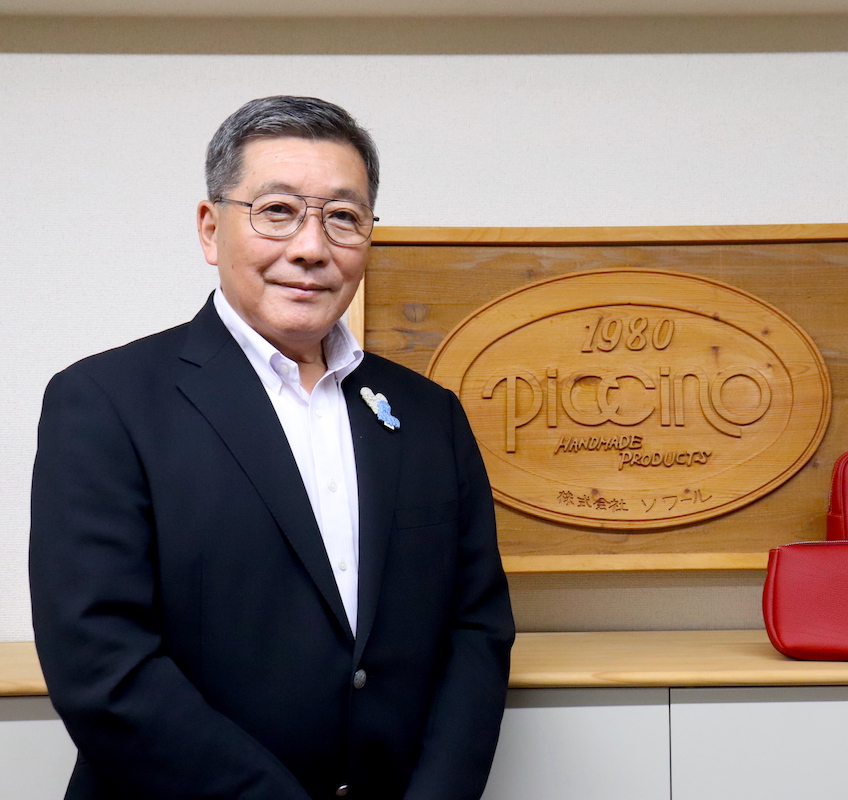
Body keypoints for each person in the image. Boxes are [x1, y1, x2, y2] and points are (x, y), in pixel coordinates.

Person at [28, 95, 515, 800]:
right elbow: (102, 667)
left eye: (343, 216)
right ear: (210, 229)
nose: (312, 247)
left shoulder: (428, 414)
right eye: (278, 210)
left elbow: (476, 630)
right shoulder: (105, 402)